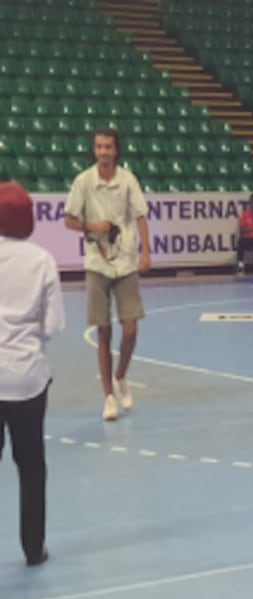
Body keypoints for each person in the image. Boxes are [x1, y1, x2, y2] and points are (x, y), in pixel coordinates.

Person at [64, 127, 151, 422]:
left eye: (108, 147)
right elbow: (69, 220)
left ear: (116, 151)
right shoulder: (83, 182)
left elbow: (140, 215)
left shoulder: (128, 180)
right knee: (103, 330)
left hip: (125, 262)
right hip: (97, 264)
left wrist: (145, 252)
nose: (103, 152)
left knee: (131, 329)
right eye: (98, 147)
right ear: (94, 150)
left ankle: (121, 375)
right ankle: (108, 397)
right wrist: (93, 227)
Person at [0, 181, 65, 567]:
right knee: (31, 465)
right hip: (26, 379)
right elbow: (54, 325)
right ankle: (32, 547)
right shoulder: (41, 261)